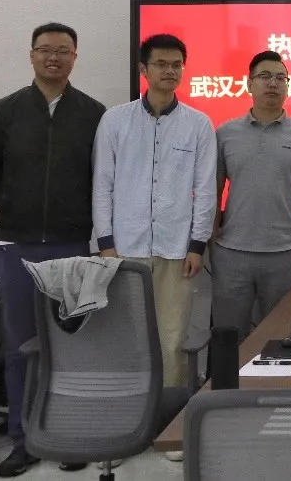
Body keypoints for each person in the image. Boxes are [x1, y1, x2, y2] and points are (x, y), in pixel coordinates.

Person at [0, 22, 104, 477]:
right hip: (18, 244)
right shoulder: (5, 111)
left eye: (63, 51)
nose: (54, 57)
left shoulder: (93, 114)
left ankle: (69, 435)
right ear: (31, 55)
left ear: (75, 58)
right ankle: (24, 439)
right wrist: (20, 209)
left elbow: (100, 178)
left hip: (72, 244)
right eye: (45, 50)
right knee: (20, 346)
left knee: (72, 344)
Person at [93, 33, 216, 388]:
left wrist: (197, 245)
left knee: (172, 337)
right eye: (161, 64)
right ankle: (129, 404)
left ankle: (170, 410)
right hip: (123, 249)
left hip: (176, 250)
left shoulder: (199, 124)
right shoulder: (115, 121)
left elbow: (206, 190)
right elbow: (102, 185)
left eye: (177, 65)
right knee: (126, 334)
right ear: (143, 69)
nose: (170, 71)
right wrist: (106, 244)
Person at [212, 50, 291, 341]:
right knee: (229, 340)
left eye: (280, 78)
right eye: (264, 76)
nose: (273, 83)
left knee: (281, 340)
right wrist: (212, 240)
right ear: (249, 84)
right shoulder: (225, 133)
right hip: (232, 255)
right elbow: (213, 190)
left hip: (284, 256)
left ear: (287, 86)